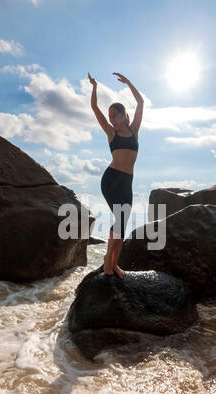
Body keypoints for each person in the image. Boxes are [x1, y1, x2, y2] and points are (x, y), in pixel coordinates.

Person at [88, 72, 144, 279]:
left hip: (127, 183)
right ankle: (107, 263)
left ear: (123, 115)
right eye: (109, 116)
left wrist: (129, 83)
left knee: (123, 223)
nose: (111, 119)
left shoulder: (134, 131)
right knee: (120, 220)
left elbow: (140, 103)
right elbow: (94, 108)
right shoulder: (111, 134)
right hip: (111, 180)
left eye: (114, 115)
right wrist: (94, 88)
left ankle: (114, 264)